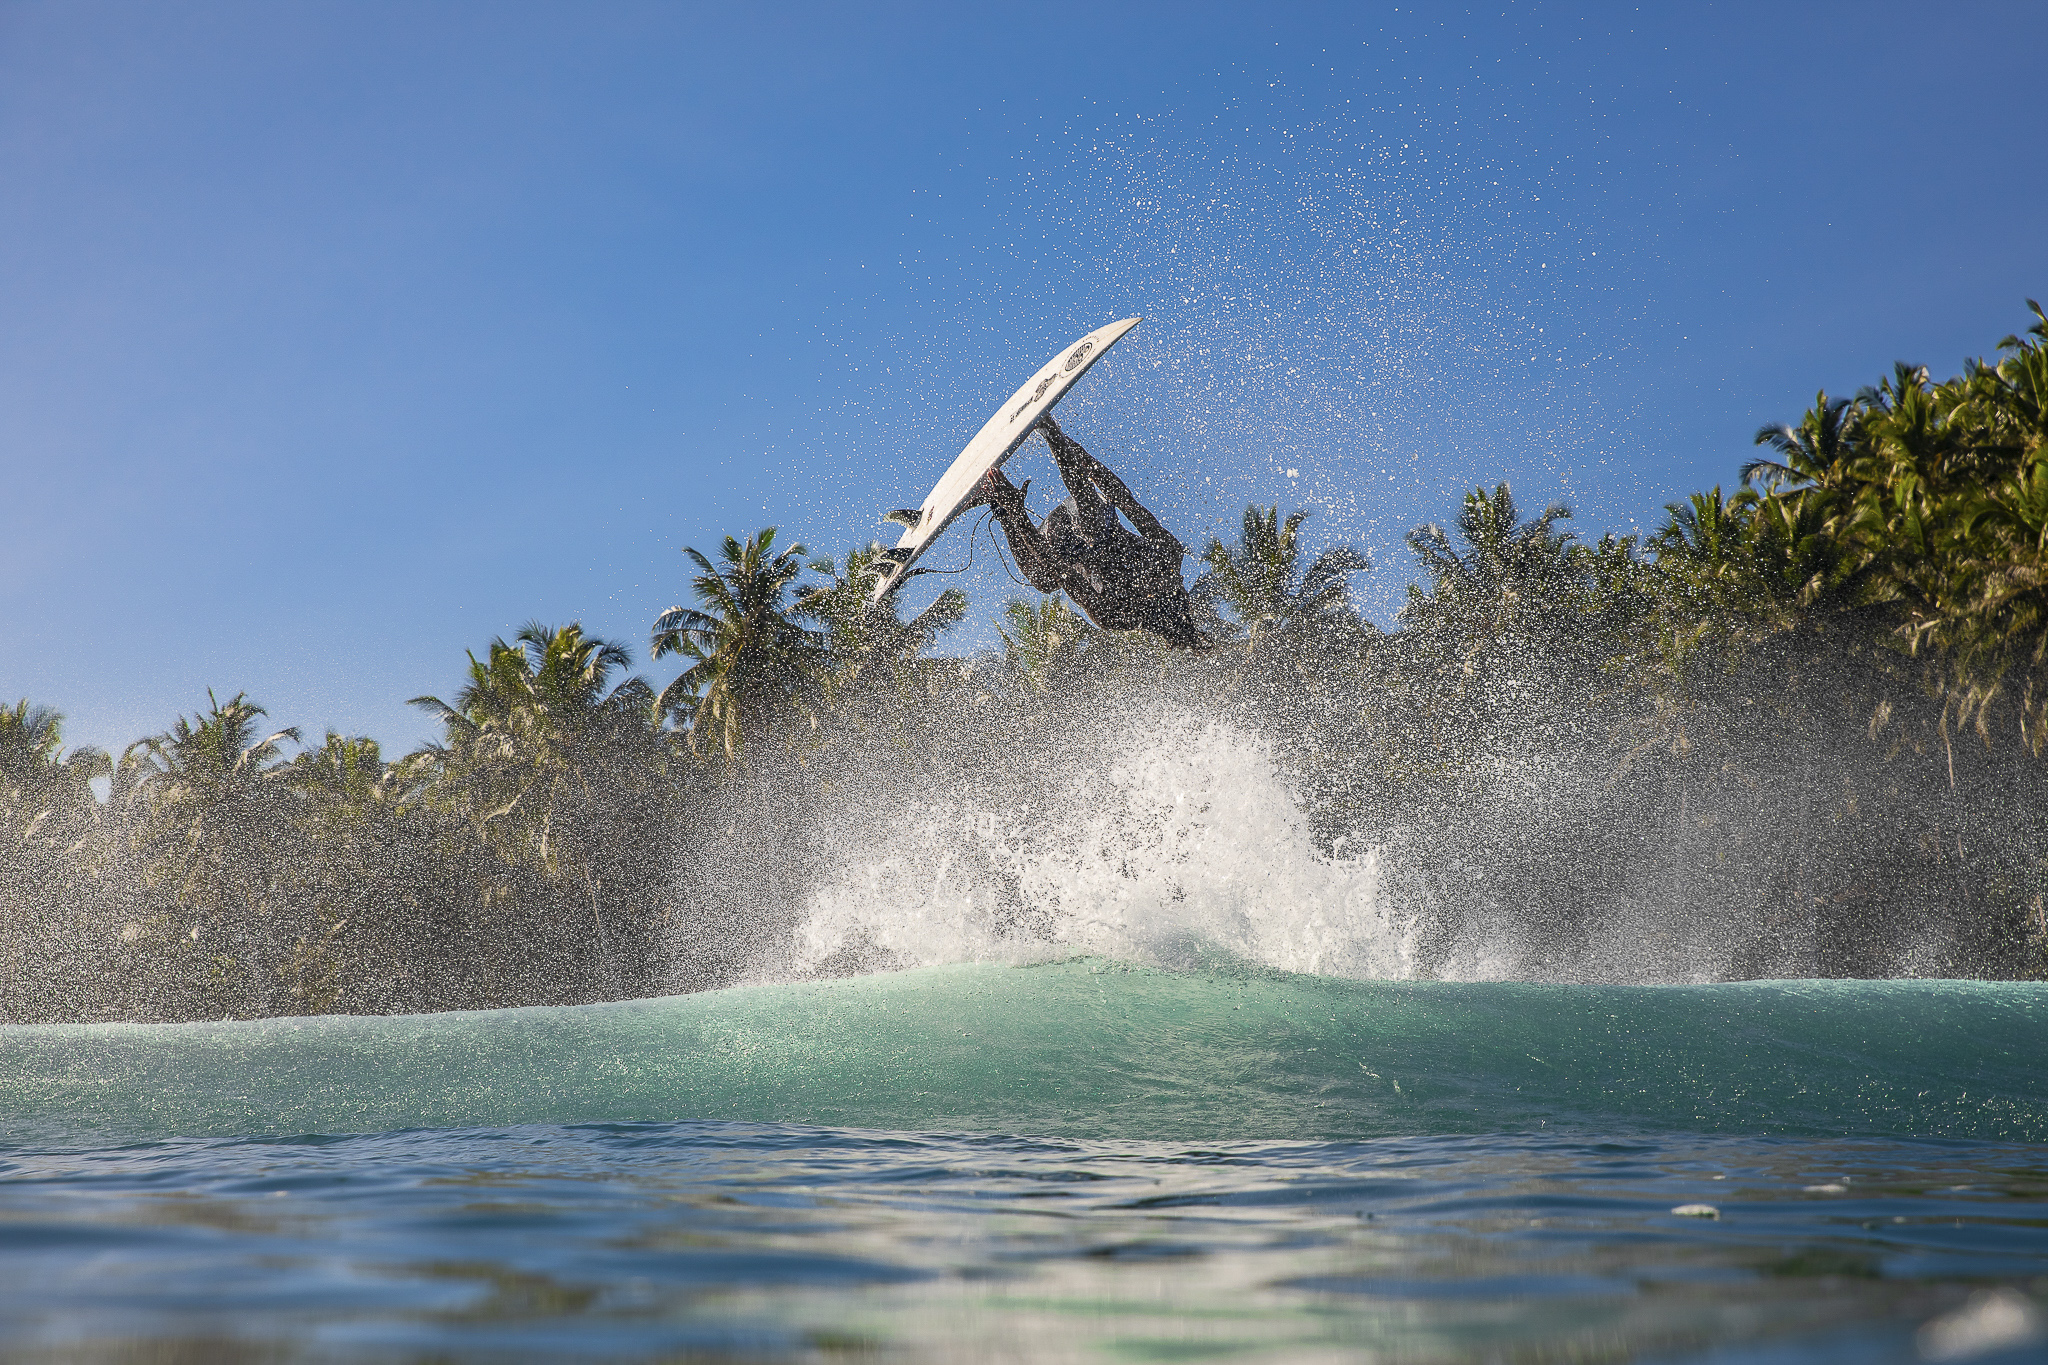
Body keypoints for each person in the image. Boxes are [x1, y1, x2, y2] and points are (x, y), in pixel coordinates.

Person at [962, 414, 1208, 650]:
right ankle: (1048, 429)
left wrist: (1015, 512)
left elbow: (1058, 570)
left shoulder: (1113, 614)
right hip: (1084, 512)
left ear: (1147, 599)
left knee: (1043, 581)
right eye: (1168, 583)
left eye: (1154, 586)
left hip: (1058, 542)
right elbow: (1122, 497)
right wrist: (1065, 445)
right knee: (1096, 530)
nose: (1161, 580)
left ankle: (999, 502)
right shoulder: (1167, 555)